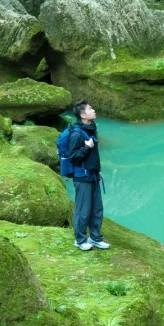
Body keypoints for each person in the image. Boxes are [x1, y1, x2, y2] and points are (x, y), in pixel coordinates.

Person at [65, 100, 110, 252]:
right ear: (83, 115)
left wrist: (98, 170)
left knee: (97, 208)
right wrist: (86, 147)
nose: (94, 110)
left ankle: (95, 238)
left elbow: (94, 154)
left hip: (93, 175)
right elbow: (73, 157)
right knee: (83, 210)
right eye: (91, 109)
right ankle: (80, 240)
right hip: (82, 177)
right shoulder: (77, 134)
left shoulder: (91, 128)